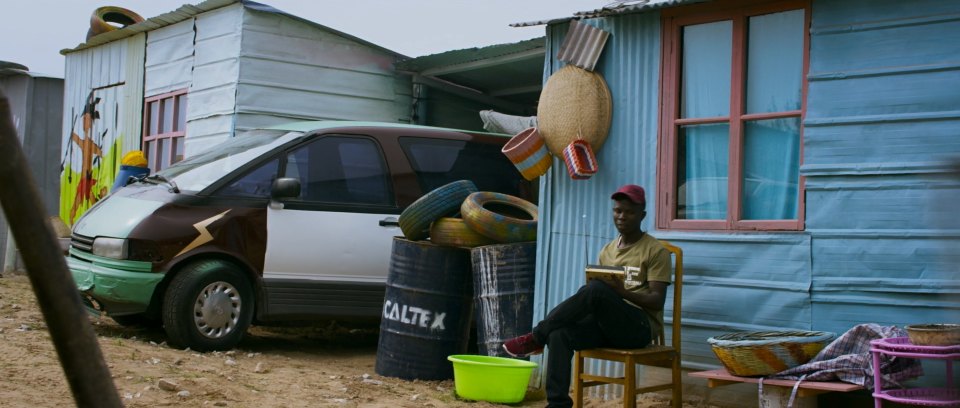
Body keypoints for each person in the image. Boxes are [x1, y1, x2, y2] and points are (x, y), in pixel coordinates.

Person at [501, 184, 672, 408]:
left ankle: (535, 337)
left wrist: (619, 291)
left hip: (639, 327)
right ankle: (557, 404)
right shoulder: (607, 250)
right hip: (607, 325)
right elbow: (595, 300)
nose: (622, 216)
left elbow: (657, 300)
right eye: (618, 210)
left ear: (643, 215)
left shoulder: (655, 251)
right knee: (560, 334)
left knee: (597, 290)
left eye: (629, 212)